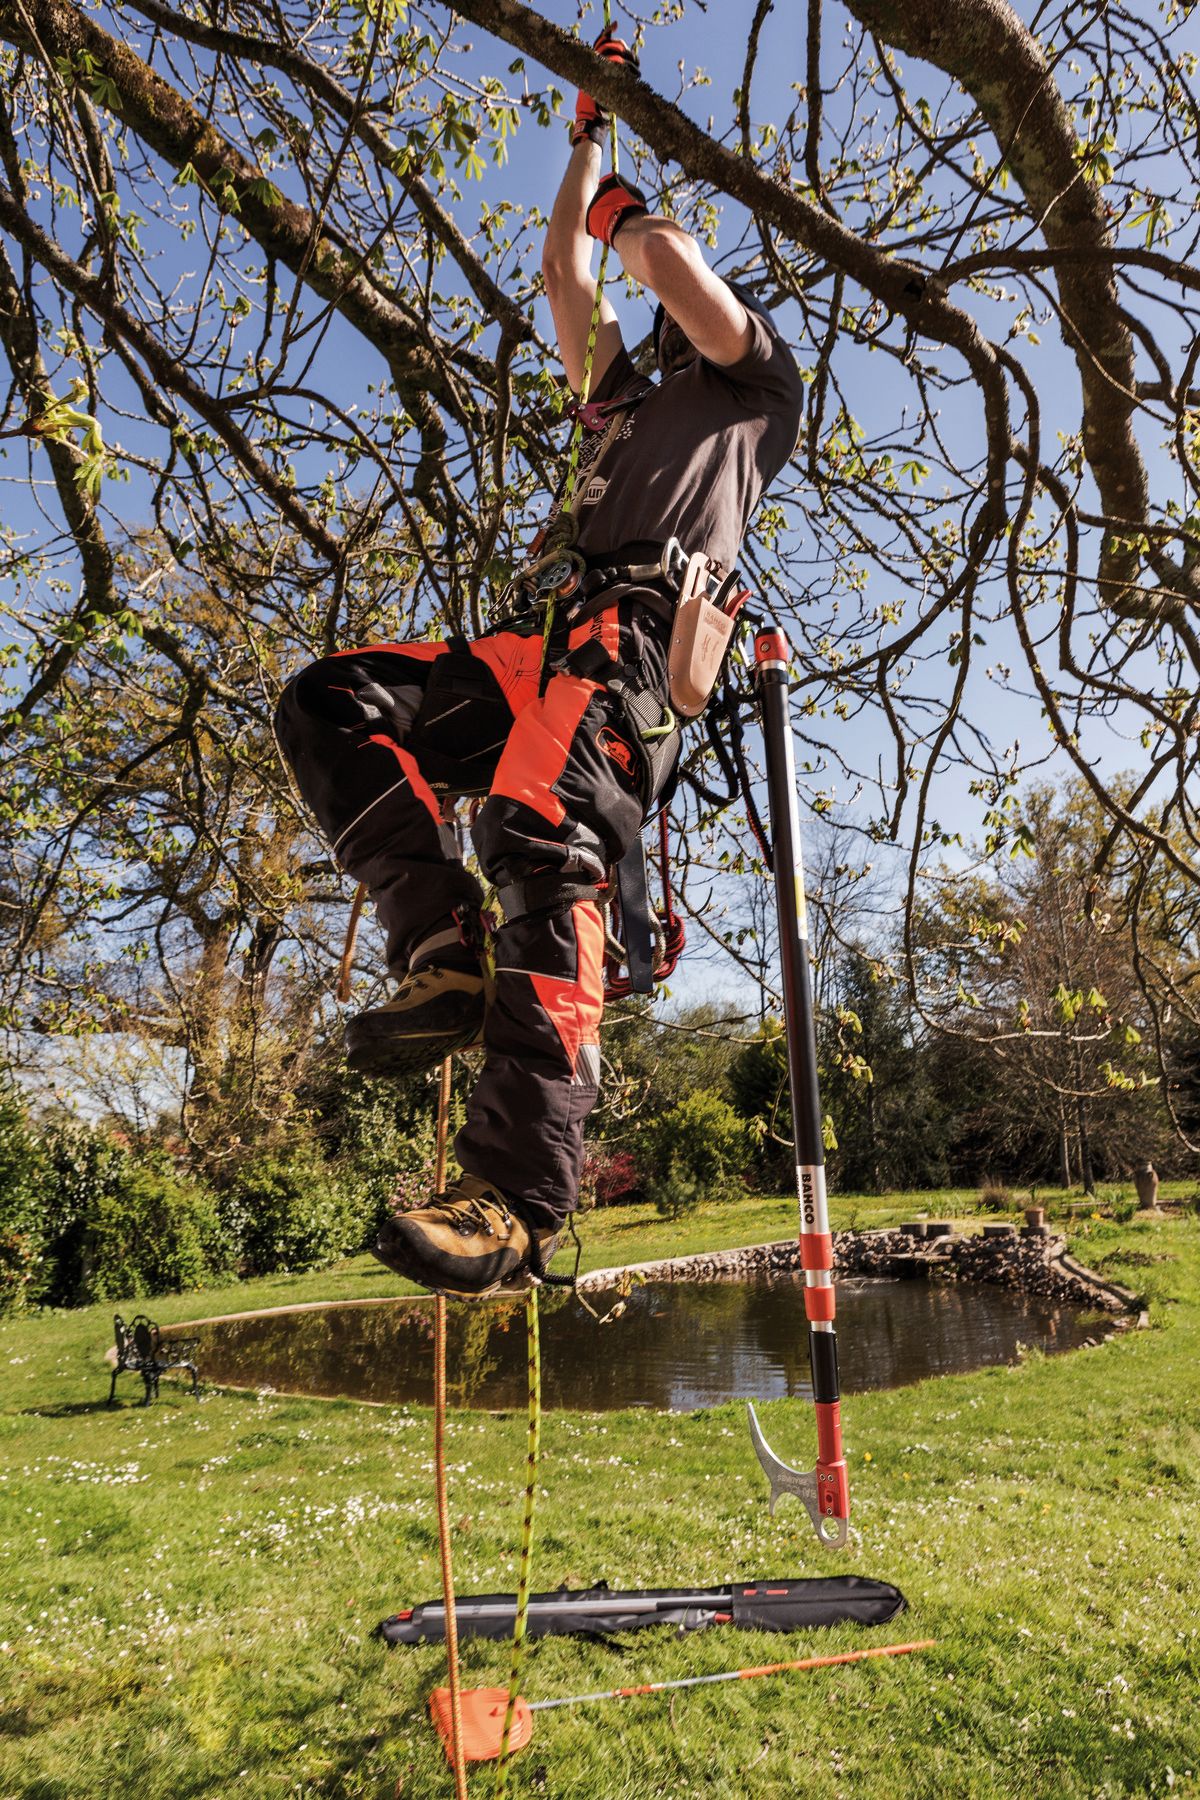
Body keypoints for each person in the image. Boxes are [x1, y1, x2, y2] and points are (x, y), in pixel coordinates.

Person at [274, 32, 804, 1298]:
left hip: (635, 645)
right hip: (540, 642)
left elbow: (664, 267)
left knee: (539, 820)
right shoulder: (617, 400)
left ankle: (519, 1196)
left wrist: (627, 187)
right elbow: (569, 269)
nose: (642, 337)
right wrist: (584, 140)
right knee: (328, 699)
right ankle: (443, 940)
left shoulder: (754, 392)